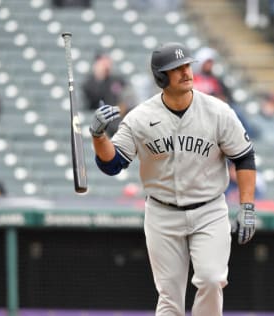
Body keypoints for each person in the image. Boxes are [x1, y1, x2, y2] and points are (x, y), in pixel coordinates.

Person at [89, 42, 256, 315]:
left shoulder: (218, 111)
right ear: (161, 77)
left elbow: (245, 157)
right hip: (162, 212)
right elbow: (112, 164)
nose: (185, 72)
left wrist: (247, 206)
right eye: (176, 69)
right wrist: (98, 137)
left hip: (209, 209)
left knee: (212, 280)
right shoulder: (141, 117)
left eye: (186, 65)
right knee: (170, 297)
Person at [193, 46, 258, 139]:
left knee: (236, 110)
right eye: (208, 62)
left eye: (211, 62)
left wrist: (221, 99)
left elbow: (226, 95)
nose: (210, 65)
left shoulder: (215, 79)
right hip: (202, 108)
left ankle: (247, 137)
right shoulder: (193, 79)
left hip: (218, 106)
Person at [82, 52, 136, 135]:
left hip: (116, 118)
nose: (106, 65)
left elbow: (127, 97)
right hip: (98, 120)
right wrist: (100, 77)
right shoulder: (89, 83)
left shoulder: (117, 80)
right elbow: (92, 100)